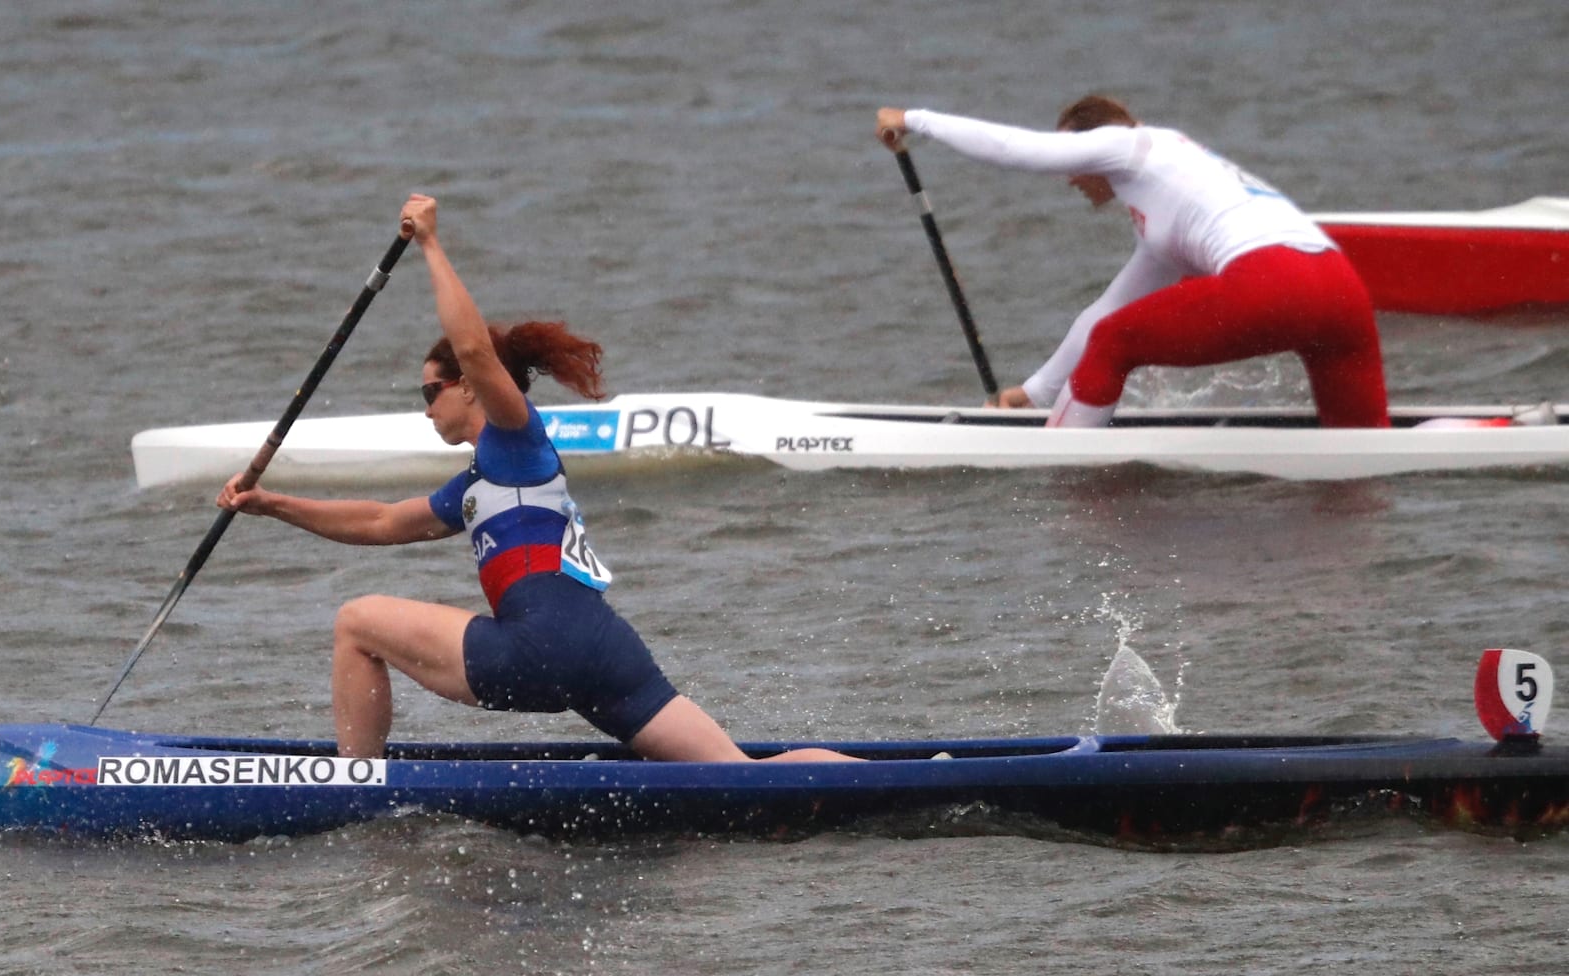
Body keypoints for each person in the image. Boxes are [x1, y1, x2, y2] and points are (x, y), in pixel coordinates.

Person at [217, 194, 852, 764]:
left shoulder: (515, 436)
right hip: (604, 651)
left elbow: (472, 349)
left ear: (467, 387)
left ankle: (354, 783)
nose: (425, 405)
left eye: (429, 391)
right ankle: (917, 782)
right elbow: (381, 522)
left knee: (357, 623)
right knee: (739, 776)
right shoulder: (480, 482)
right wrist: (271, 503)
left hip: (536, 648)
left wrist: (431, 246)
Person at [875, 96, 1388, 430]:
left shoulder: (1130, 146)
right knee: (1364, 450)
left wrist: (916, 121)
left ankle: (1060, 469)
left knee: (1115, 345)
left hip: (1272, 280)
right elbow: (1105, 309)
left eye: (1074, 162)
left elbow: (1019, 151)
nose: (1071, 177)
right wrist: (1034, 393)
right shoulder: (1167, 200)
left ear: (1090, 146)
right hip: (1341, 289)